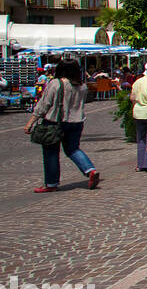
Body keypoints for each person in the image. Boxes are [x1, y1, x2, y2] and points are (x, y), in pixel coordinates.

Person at [25, 58, 99, 192]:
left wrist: (31, 122)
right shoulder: (81, 85)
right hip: (77, 122)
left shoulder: (56, 83)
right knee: (73, 149)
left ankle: (51, 183)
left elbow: (44, 105)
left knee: (51, 153)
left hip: (55, 122)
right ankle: (90, 170)